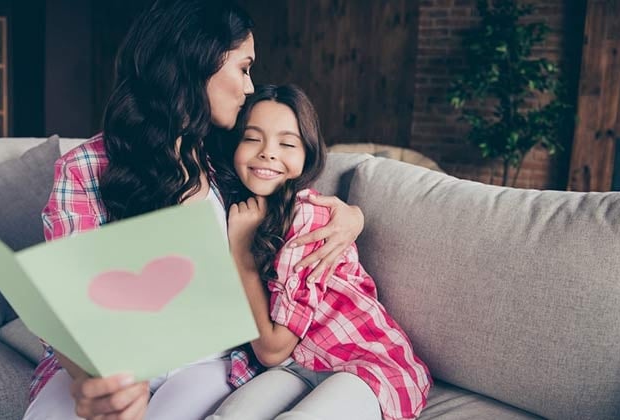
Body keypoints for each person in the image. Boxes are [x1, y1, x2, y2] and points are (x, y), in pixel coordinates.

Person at [23, 1, 364, 419]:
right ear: (196, 61)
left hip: (209, 362)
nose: (250, 86)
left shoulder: (231, 157)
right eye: (243, 67)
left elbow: (297, 195)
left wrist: (353, 218)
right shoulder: (87, 168)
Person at [206, 84, 431, 420]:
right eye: (252, 138)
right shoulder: (232, 208)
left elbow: (271, 348)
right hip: (299, 363)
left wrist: (241, 254)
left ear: (307, 155)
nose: (268, 152)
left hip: (364, 364)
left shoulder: (308, 215)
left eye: (286, 143)